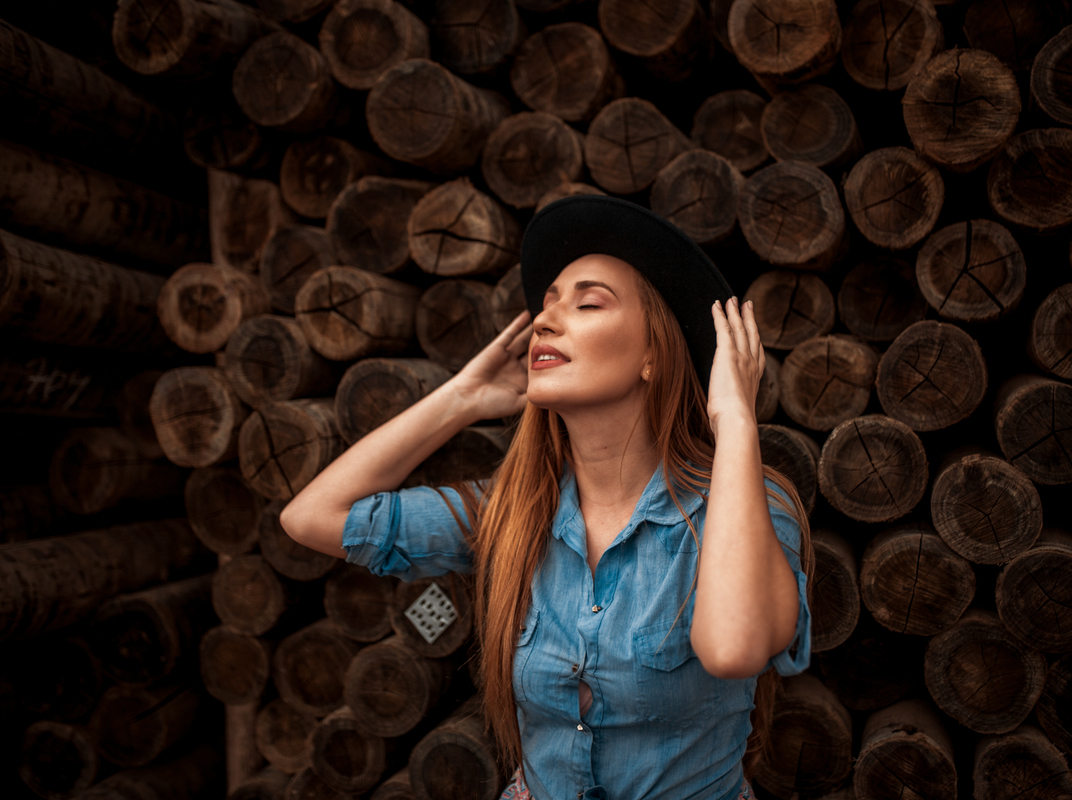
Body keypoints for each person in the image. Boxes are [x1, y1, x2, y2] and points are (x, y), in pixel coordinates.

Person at [280, 195, 814, 800]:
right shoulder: (510, 514)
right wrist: (463, 397)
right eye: (548, 303)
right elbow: (310, 517)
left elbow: (734, 648)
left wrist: (735, 421)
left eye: (587, 303)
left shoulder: (746, 507)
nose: (544, 319)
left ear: (652, 355)